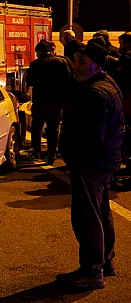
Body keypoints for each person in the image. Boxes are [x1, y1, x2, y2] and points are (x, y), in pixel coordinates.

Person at [57, 42, 124, 289]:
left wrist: (77, 160)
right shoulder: (106, 85)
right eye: (74, 59)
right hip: (104, 162)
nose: (74, 65)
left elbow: (93, 137)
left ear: (95, 65)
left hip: (92, 164)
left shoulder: (95, 93)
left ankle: (92, 271)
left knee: (87, 218)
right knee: (101, 212)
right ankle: (105, 262)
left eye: (80, 61)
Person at [25, 40, 71, 164]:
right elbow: (68, 80)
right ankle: (52, 152)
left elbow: (30, 82)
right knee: (53, 128)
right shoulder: (61, 62)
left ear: (39, 52)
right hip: (56, 102)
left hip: (40, 101)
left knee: (37, 127)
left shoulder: (35, 64)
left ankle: (36, 151)